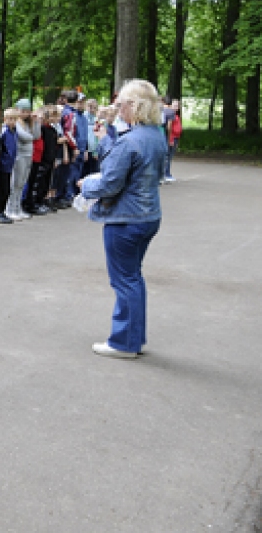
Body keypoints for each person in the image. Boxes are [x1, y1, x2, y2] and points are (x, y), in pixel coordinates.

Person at [79, 79, 167, 359]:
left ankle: (124, 343)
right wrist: (107, 139)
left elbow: (109, 184)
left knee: (125, 280)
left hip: (126, 219)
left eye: (120, 105)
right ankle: (133, 337)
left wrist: (85, 186)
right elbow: (123, 165)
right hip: (148, 216)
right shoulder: (155, 135)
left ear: (133, 106)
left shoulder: (131, 141)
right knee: (133, 278)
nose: (117, 110)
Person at [7, 99, 38, 221]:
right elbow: (25, 137)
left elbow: (36, 135)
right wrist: (31, 137)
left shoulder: (28, 123)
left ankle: (17, 207)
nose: (25, 114)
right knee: (16, 183)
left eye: (27, 111)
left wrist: (35, 122)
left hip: (28, 155)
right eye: (23, 111)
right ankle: (10, 208)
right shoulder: (17, 123)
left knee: (22, 183)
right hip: (20, 155)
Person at [0, 109, 18, 224]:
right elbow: (0, 149)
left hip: (10, 165)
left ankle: (2, 211)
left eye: (14, 119)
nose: (12, 121)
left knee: (7, 189)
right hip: (3, 164)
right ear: (5, 119)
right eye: (10, 119)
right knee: (2, 189)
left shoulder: (14, 132)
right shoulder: (3, 132)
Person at [163, 98, 181, 183]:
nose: (176, 107)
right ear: (170, 105)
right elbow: (169, 128)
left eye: (178, 105)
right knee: (168, 157)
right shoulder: (170, 114)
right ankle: (166, 174)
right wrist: (170, 139)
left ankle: (167, 173)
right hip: (172, 138)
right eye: (175, 105)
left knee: (169, 157)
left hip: (175, 138)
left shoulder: (175, 115)